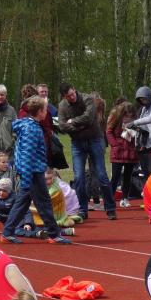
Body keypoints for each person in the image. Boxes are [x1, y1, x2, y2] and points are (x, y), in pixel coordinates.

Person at [1, 96, 71, 244]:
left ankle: (7, 232)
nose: (47, 112)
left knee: (23, 203)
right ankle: (54, 234)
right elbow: (27, 156)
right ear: (39, 112)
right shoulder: (31, 129)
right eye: (45, 109)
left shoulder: (30, 126)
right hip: (32, 173)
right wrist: (27, 179)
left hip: (33, 172)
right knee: (43, 203)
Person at [57, 82, 116, 220]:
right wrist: (79, 126)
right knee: (79, 177)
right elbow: (62, 125)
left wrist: (72, 121)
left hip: (95, 139)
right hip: (77, 142)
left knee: (101, 174)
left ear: (74, 89)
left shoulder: (87, 99)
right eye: (68, 96)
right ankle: (82, 209)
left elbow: (89, 118)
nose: (72, 97)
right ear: (64, 97)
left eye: (72, 94)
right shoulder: (62, 106)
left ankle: (110, 207)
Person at [105, 101, 138, 207]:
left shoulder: (136, 121)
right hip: (118, 152)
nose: (128, 118)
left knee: (128, 176)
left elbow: (138, 134)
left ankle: (125, 198)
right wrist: (115, 145)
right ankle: (110, 200)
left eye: (130, 116)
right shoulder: (115, 118)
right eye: (126, 115)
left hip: (131, 152)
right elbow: (108, 131)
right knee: (115, 176)